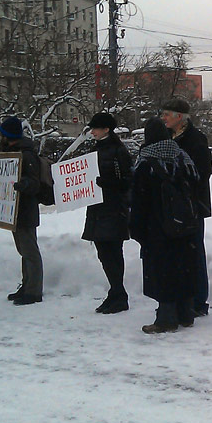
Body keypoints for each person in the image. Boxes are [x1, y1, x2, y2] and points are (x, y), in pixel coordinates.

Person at [131, 118, 200, 334]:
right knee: (184, 268)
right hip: (184, 225)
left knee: (163, 272)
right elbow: (195, 185)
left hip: (158, 228)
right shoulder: (182, 157)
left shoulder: (146, 161)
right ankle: (186, 314)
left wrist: (137, 229)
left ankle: (166, 318)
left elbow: (139, 200)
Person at [161, 98, 212, 317]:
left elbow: (203, 172)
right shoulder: (166, 137)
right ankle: (184, 298)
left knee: (194, 253)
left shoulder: (195, 139)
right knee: (179, 255)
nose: (163, 118)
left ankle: (199, 301)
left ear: (179, 117)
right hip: (173, 207)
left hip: (192, 207)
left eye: (167, 114)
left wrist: (180, 181)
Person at [83, 112, 133, 314]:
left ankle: (119, 294)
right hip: (98, 207)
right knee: (104, 252)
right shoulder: (98, 149)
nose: (92, 131)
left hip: (113, 208)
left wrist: (107, 183)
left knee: (111, 252)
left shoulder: (117, 151)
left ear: (106, 129)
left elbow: (127, 181)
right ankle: (116, 292)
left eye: (95, 128)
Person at [0, 116, 45, 305]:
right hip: (13, 208)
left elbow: (34, 183)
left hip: (25, 209)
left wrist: (23, 184)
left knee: (30, 251)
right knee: (23, 250)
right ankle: (27, 285)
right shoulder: (12, 152)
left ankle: (34, 291)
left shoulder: (26, 154)